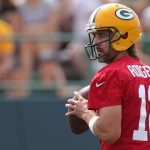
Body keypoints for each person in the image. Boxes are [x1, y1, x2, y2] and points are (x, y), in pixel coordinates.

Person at [65, 3, 150, 150]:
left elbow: (109, 132)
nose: (96, 42)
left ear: (124, 35)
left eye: (102, 35)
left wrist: (85, 113)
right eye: (94, 35)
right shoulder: (147, 72)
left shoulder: (110, 74)